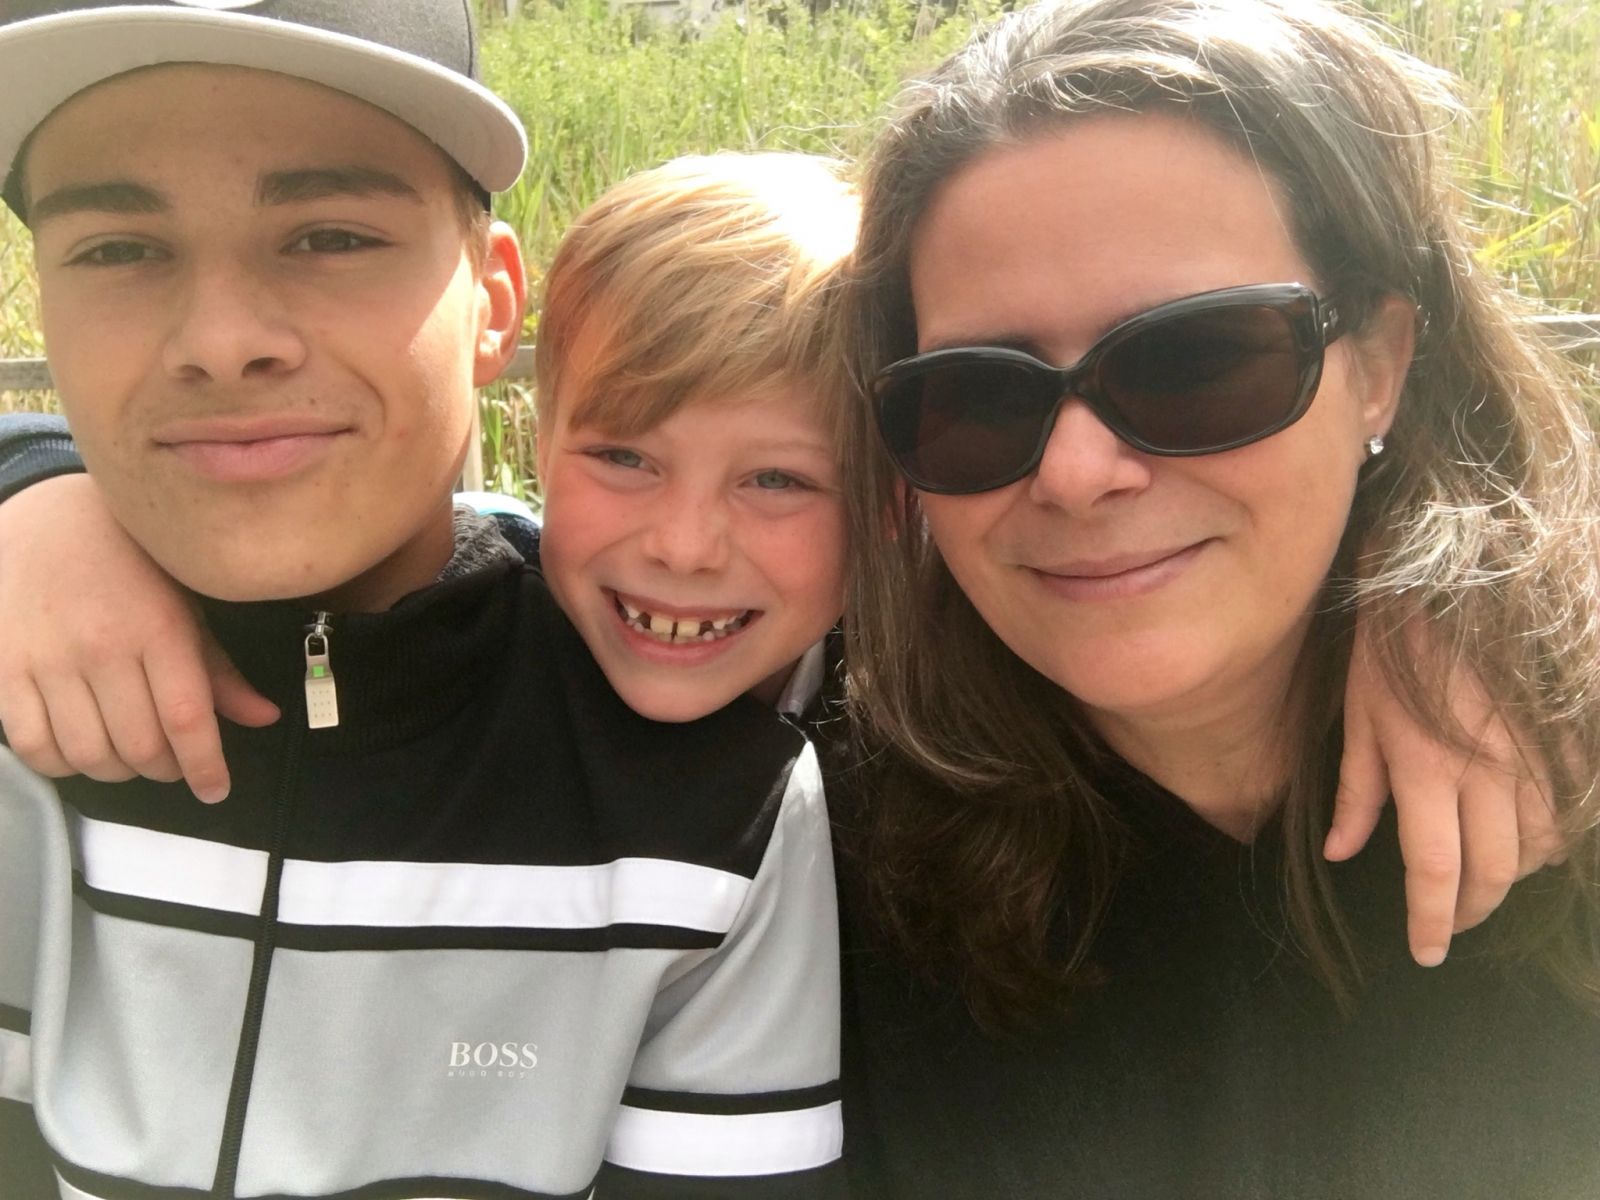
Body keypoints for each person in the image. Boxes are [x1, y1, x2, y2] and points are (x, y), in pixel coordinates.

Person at [0, 4, 846, 1197]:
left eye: (331, 235)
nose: (223, 340)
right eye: (119, 250)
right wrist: (32, 484)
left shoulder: (725, 809)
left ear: (494, 306)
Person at [832, 0, 1600, 1194]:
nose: (1076, 474)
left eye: (1195, 361)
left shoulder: (1567, 772)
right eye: (977, 397)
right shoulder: (820, 845)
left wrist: (1521, 596)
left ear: (1380, 368)